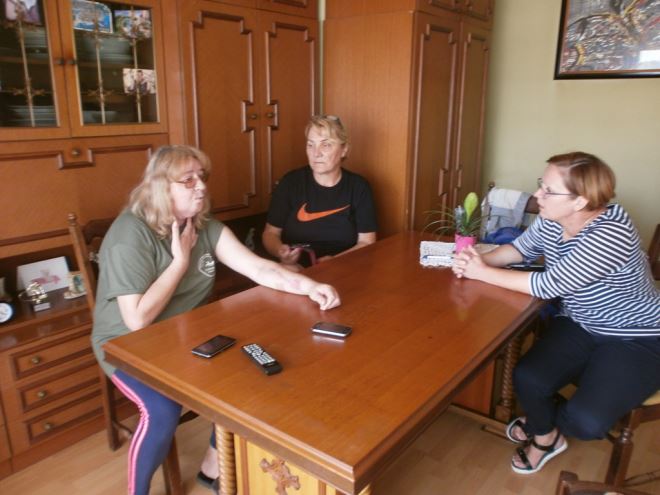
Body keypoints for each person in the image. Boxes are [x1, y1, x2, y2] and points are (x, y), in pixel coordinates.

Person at [91, 145, 341, 495]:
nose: (202, 186)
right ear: (161, 187)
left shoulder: (204, 226)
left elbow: (259, 269)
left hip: (183, 335)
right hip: (126, 345)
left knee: (250, 377)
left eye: (202, 177)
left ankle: (212, 466)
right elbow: (136, 320)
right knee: (162, 412)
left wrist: (310, 286)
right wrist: (180, 263)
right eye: (188, 180)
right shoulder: (130, 234)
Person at [452, 152, 660, 475]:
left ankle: (543, 426)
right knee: (527, 377)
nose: (537, 195)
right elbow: (520, 249)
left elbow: (548, 285)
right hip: (580, 321)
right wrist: (477, 260)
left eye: (548, 190)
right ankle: (546, 435)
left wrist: (482, 273)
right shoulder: (553, 219)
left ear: (581, 201)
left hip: (636, 335)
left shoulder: (612, 233)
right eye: (541, 184)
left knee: (587, 422)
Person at [262, 115, 377, 270]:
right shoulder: (290, 182)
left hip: (344, 267)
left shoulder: (359, 187)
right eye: (310, 145)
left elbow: (367, 242)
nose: (316, 153)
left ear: (344, 149)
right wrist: (280, 251)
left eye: (326, 145)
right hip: (296, 268)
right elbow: (270, 233)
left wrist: (336, 261)